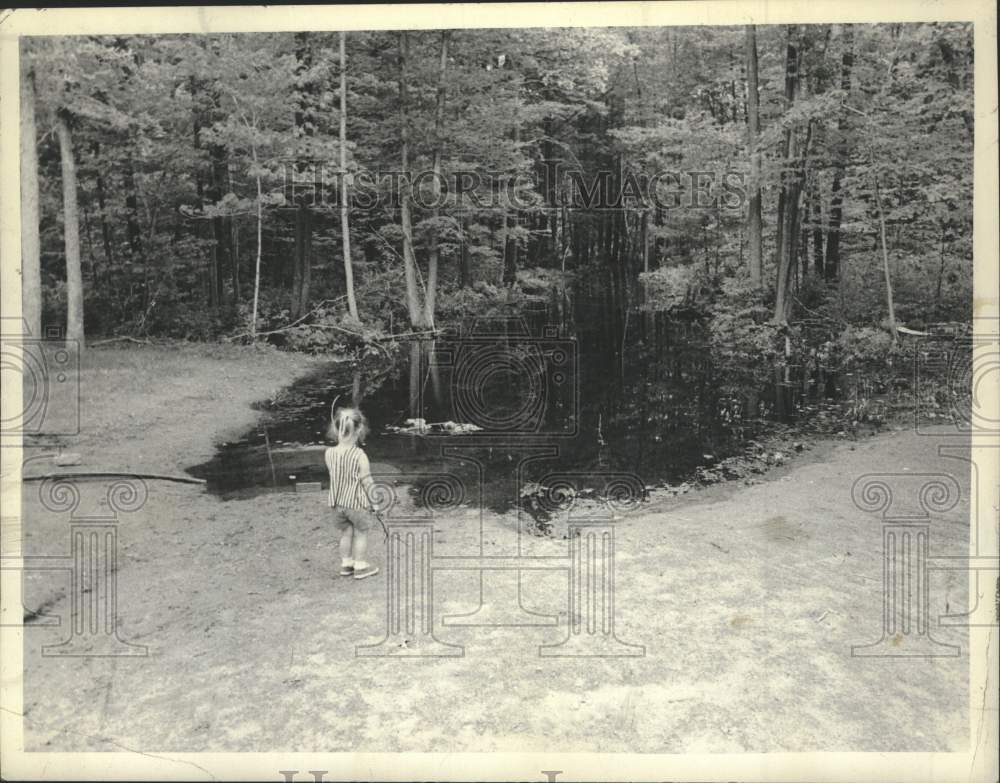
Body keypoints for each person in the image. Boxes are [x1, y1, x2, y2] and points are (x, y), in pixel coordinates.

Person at [325, 406, 379, 580]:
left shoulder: (329, 453)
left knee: (346, 533)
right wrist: (375, 502)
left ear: (335, 429)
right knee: (361, 533)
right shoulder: (359, 455)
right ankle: (360, 566)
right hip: (356, 504)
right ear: (359, 429)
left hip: (337, 504)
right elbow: (367, 481)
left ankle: (346, 564)